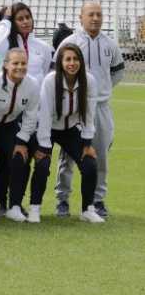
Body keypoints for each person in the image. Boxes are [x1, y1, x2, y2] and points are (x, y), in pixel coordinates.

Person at [54, 2, 125, 218]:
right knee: (67, 155)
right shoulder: (70, 43)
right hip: (73, 107)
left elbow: (117, 71)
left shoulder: (110, 44)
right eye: (91, 14)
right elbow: (55, 71)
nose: (95, 18)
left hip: (101, 107)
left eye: (99, 15)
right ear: (81, 17)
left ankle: (98, 200)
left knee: (100, 154)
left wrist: (101, 91)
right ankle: (62, 200)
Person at [37, 43, 104, 223]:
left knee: (90, 164)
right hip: (49, 129)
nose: (72, 63)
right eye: (68, 59)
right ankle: (35, 208)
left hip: (71, 130)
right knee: (42, 165)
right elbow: (44, 115)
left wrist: (87, 143)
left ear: (81, 61)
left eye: (75, 59)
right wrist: (43, 145)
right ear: (61, 62)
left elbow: (89, 114)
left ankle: (87, 209)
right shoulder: (51, 80)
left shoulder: (89, 81)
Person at [0, 48, 41, 222]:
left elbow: (31, 115)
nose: (20, 67)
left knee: (18, 158)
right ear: (5, 65)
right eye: (15, 63)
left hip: (10, 126)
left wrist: (22, 141)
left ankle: (13, 206)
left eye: (23, 63)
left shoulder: (33, 84)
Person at [0, 2, 53, 86]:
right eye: (20, 19)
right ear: (12, 22)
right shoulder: (7, 44)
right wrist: (6, 19)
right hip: (9, 94)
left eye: (28, 17)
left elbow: (45, 70)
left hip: (34, 96)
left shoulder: (44, 46)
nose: (26, 21)